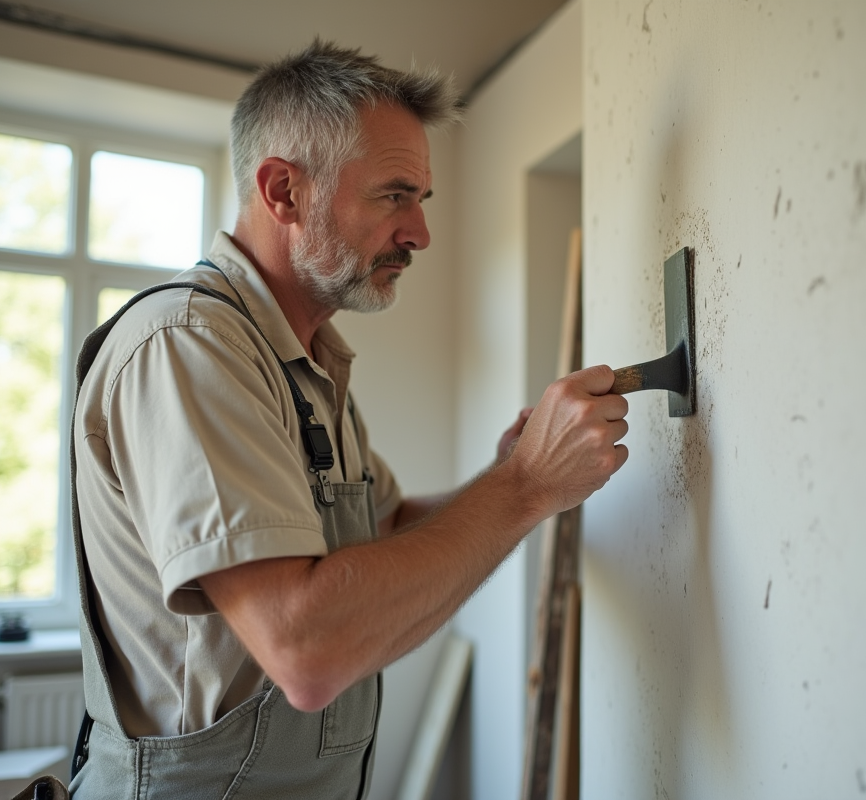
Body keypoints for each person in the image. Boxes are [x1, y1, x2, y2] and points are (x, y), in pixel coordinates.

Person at [69, 40, 628, 799]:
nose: (419, 233)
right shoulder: (191, 346)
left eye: (421, 200)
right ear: (284, 192)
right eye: (393, 195)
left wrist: (515, 471)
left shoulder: (308, 360)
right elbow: (306, 651)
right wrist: (527, 486)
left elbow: (386, 527)